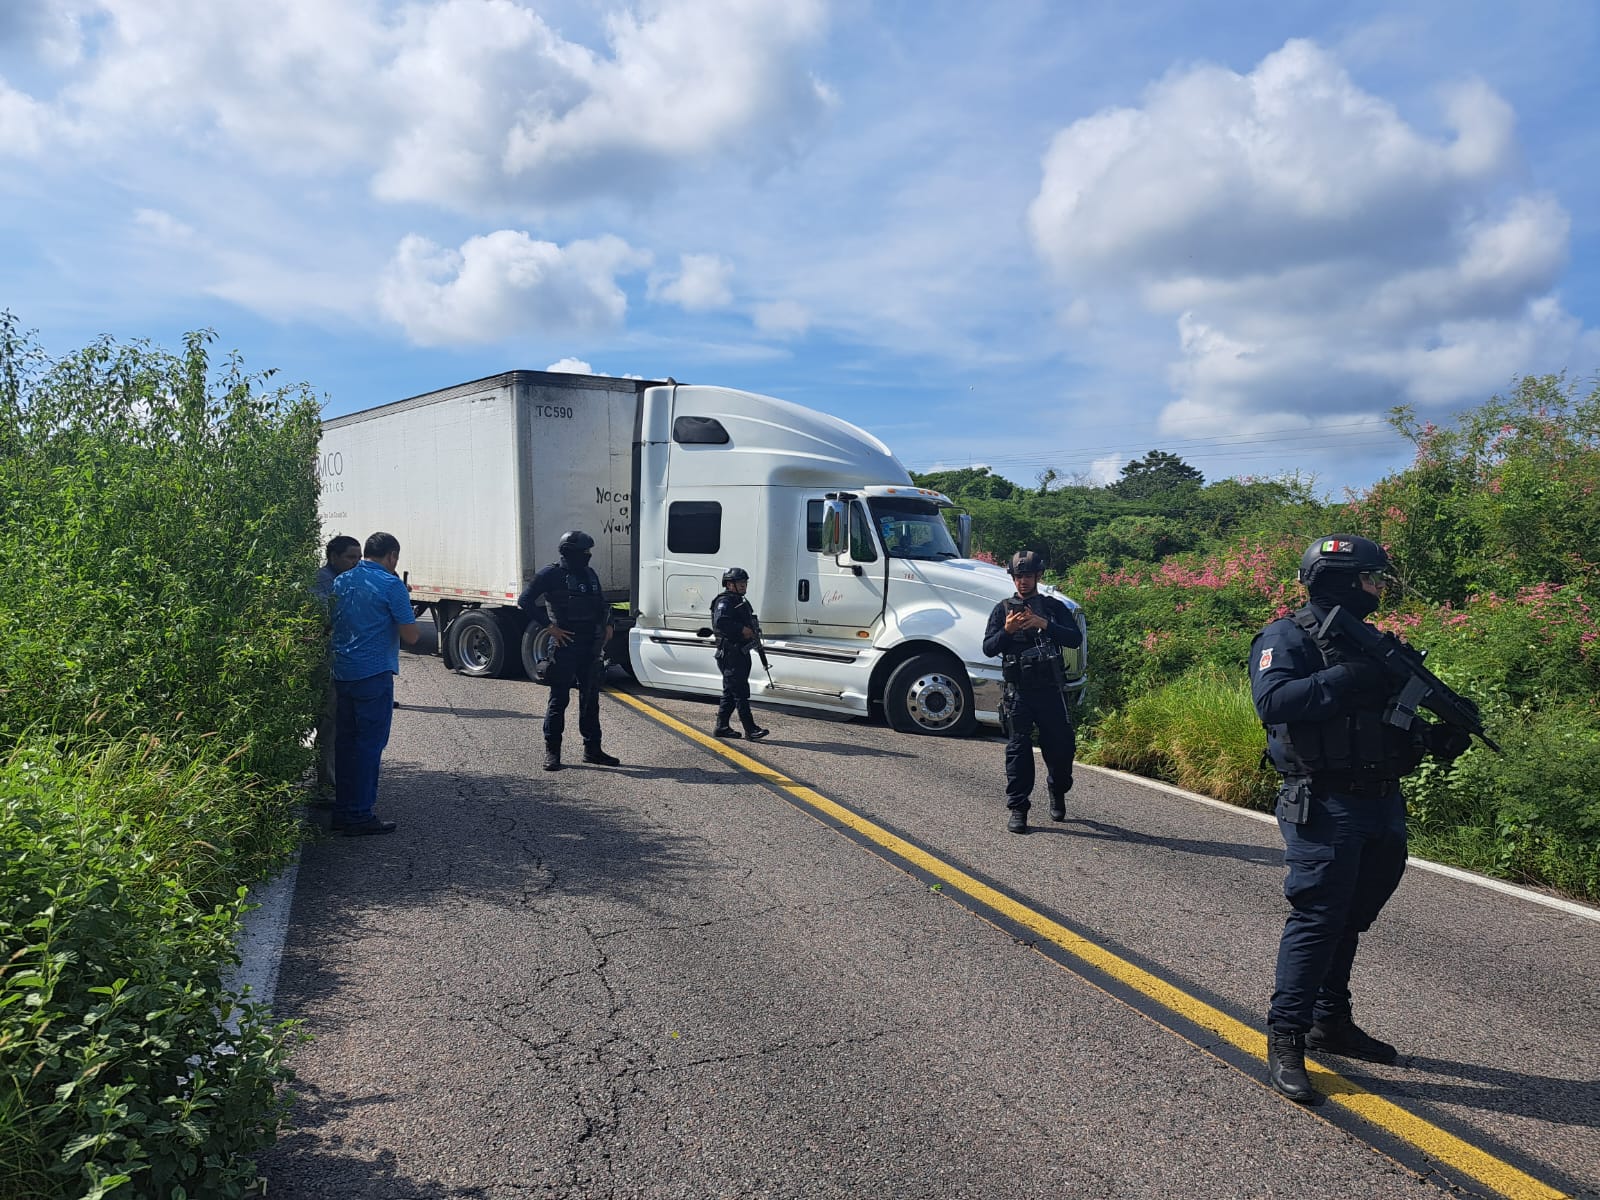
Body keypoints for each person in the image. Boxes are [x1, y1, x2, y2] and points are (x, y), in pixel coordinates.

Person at [1251, 535, 1471, 1104]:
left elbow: (1385, 720)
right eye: (1370, 578)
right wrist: (1348, 677)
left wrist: (1431, 737)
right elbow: (1273, 703)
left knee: (1353, 914)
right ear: (1342, 578)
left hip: (1380, 800)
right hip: (1322, 801)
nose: (1377, 589)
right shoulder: (1287, 636)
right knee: (1319, 916)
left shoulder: (1372, 644)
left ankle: (1331, 1020)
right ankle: (1287, 1037)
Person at [982, 549, 1083, 835]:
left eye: (1027, 576)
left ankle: (1057, 788)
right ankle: (1018, 808)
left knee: (1062, 750)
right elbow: (989, 647)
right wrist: (1007, 631)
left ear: (1038, 576)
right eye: (1017, 577)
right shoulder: (1003, 609)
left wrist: (1045, 625)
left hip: (1050, 691)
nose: (1022, 582)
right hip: (1019, 693)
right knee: (1018, 751)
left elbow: (1074, 639)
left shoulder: (1052, 607)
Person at [329, 531, 419, 836]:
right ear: (392, 556)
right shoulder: (392, 585)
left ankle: (342, 809)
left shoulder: (341, 581)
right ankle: (360, 814)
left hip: (342, 672)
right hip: (373, 674)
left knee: (345, 744)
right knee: (369, 746)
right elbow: (411, 636)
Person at [518, 530, 619, 771]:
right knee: (559, 699)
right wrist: (549, 628)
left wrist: (608, 624)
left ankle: (592, 749)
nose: (588, 556)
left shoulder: (590, 574)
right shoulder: (550, 574)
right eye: (584, 552)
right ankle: (552, 752)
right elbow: (525, 601)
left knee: (590, 699)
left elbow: (602, 603)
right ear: (569, 553)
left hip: (590, 645)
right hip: (564, 644)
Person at [311, 535, 362, 798]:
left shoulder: (348, 580)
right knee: (329, 722)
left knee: (343, 722)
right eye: (350, 557)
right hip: (328, 662)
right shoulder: (323, 581)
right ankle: (326, 786)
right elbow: (325, 618)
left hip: (345, 662)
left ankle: (338, 781)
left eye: (359, 558)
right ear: (333, 557)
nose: (356, 563)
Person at [710, 567, 770, 741]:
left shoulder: (739, 600)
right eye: (740, 583)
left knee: (730, 691)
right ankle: (750, 729)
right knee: (740, 692)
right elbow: (721, 622)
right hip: (730, 653)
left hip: (739, 652)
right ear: (729, 584)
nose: (744, 586)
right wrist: (741, 629)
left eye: (745, 583)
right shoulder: (725, 602)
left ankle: (722, 727)